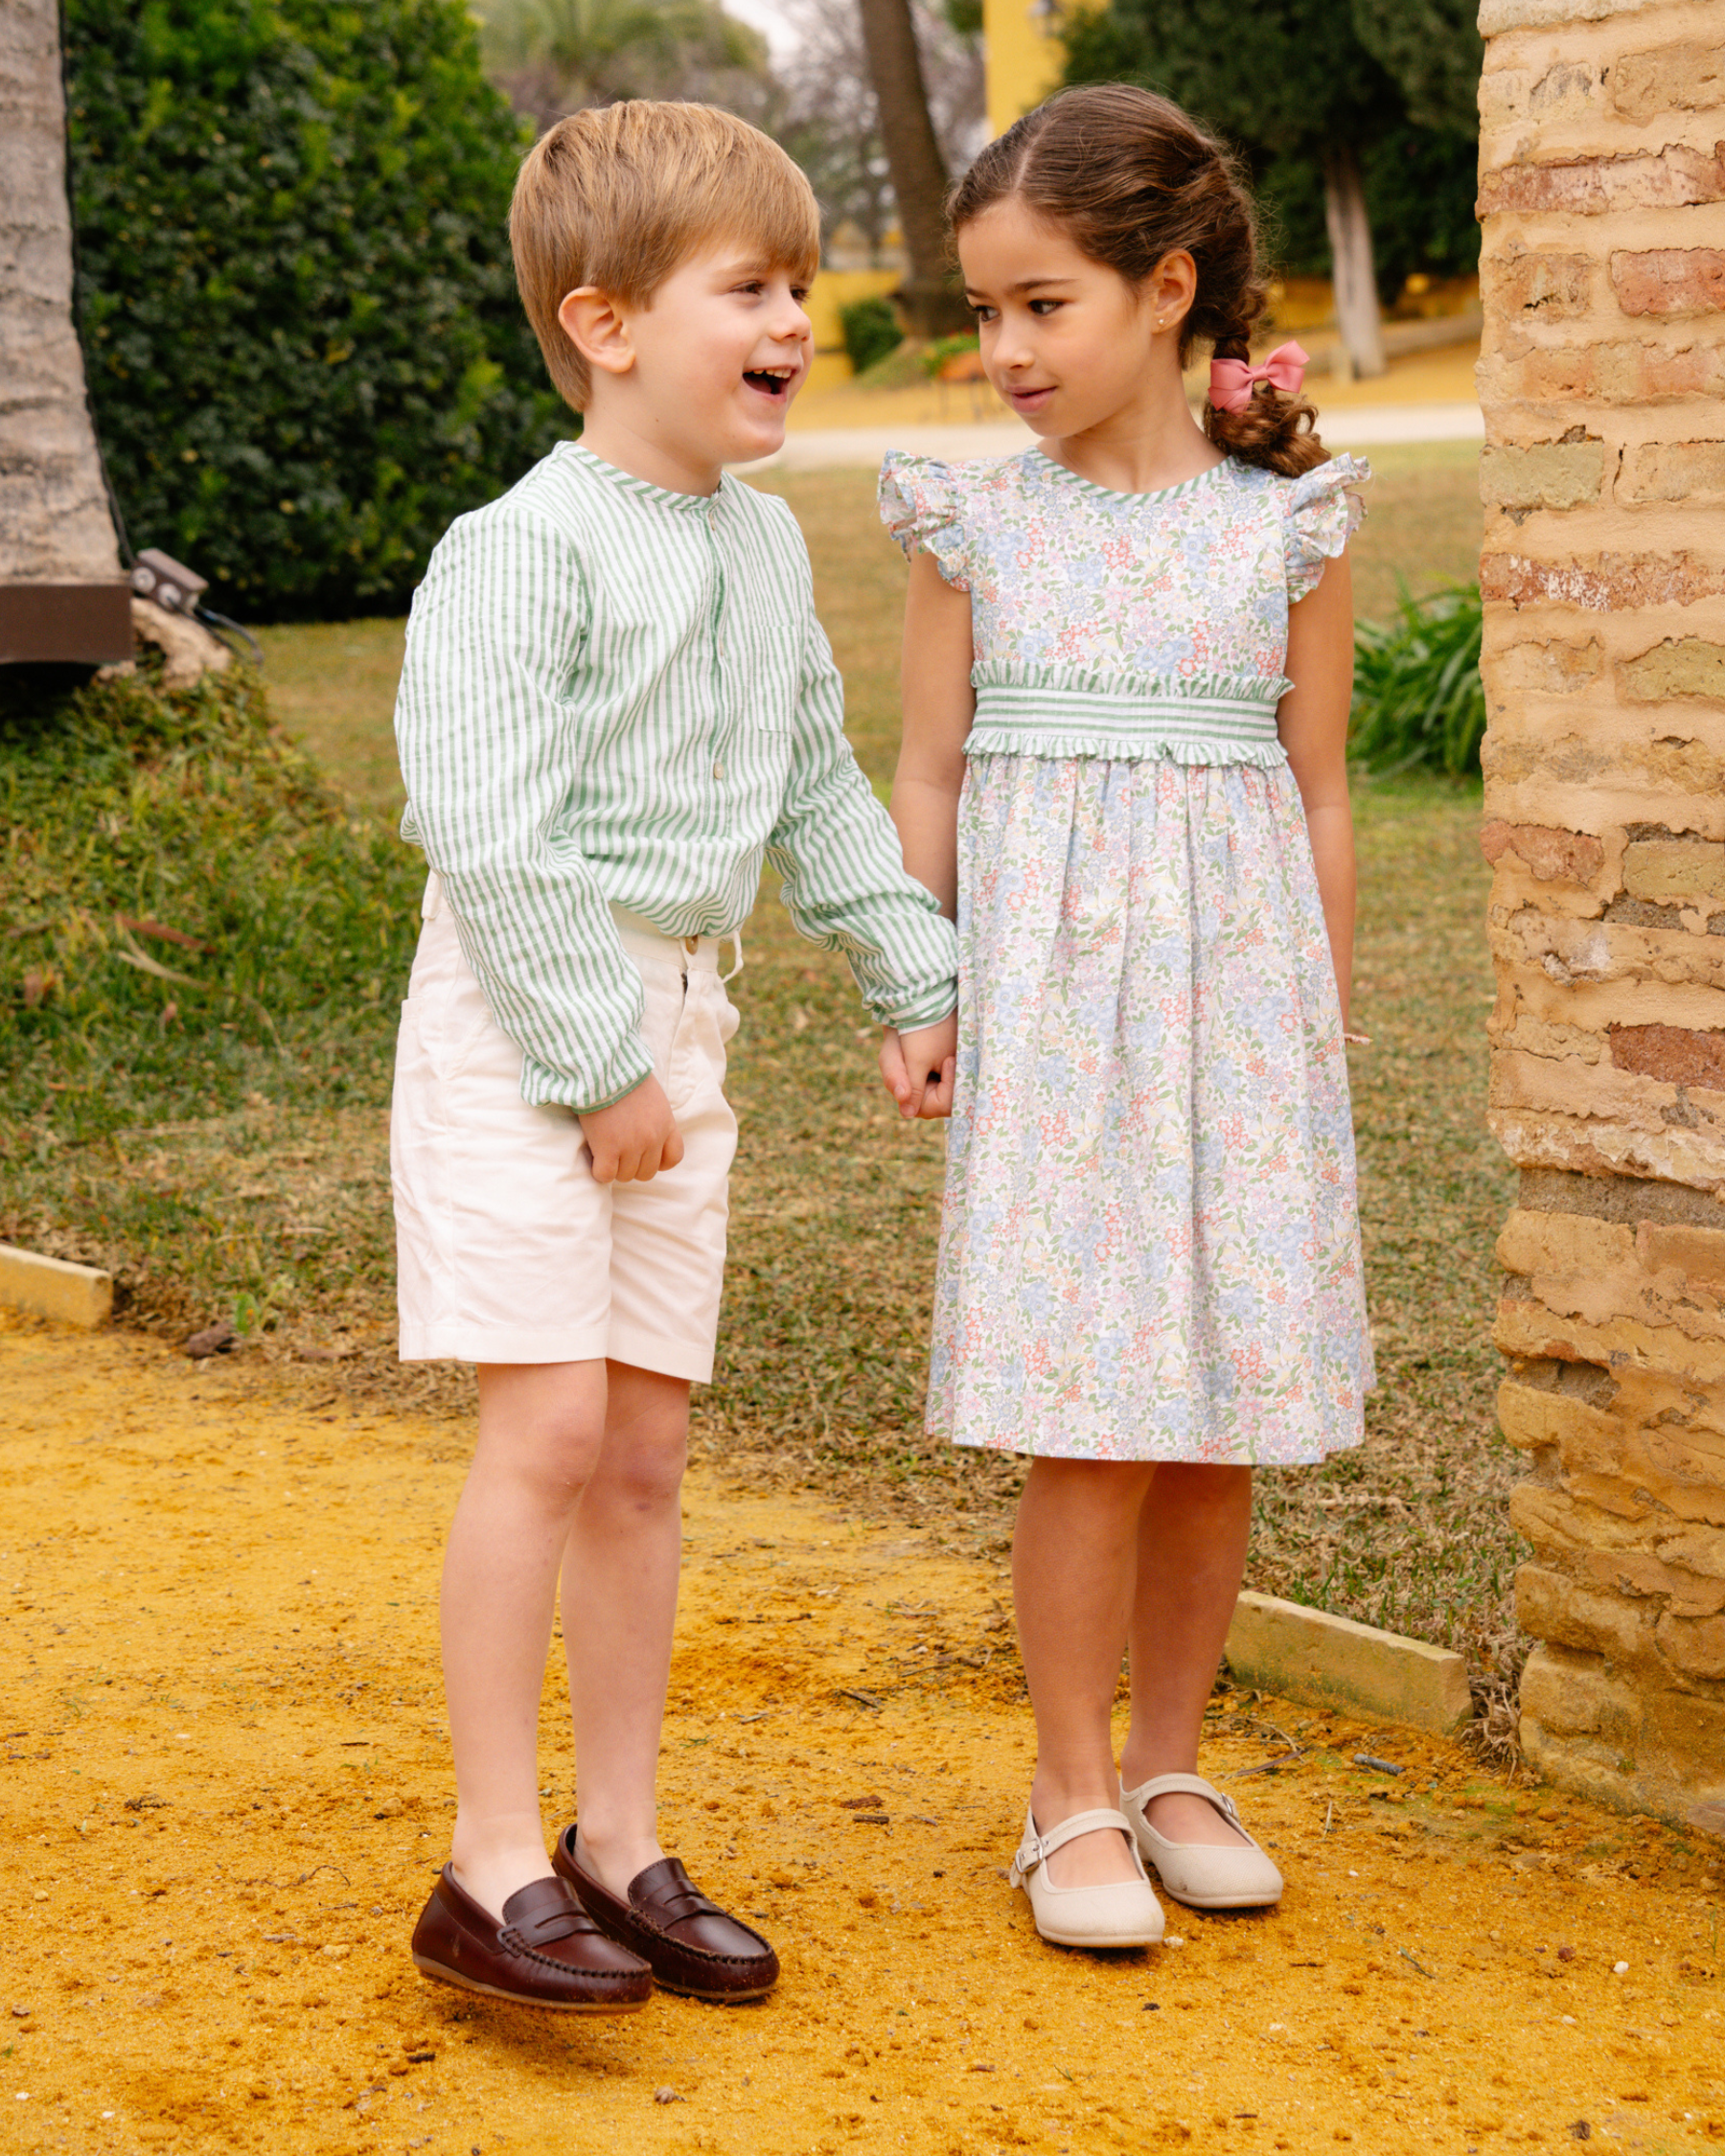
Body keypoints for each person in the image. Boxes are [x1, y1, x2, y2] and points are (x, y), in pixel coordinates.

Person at [390, 101, 959, 2010]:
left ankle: (615, 1842)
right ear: (610, 323)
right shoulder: (518, 550)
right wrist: (591, 1059)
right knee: (546, 1432)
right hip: (528, 1025)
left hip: (681, 1030)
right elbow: (494, 828)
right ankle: (483, 1860)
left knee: (644, 1455)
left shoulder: (767, 552)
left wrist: (906, 969)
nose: (796, 317)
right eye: (754, 287)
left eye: (802, 282)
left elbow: (815, 784)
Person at [878, 83, 1374, 1951]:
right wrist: (924, 989)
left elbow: (1318, 788)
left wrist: (1318, 1024)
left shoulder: (1291, 522)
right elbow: (925, 773)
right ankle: (1065, 1788)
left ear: (1167, 290)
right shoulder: (968, 525)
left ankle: (1172, 1762)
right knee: (1090, 1409)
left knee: (1214, 1411)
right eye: (983, 312)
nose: (1003, 349)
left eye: (1040, 306)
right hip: (1055, 1020)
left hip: (1243, 1010)